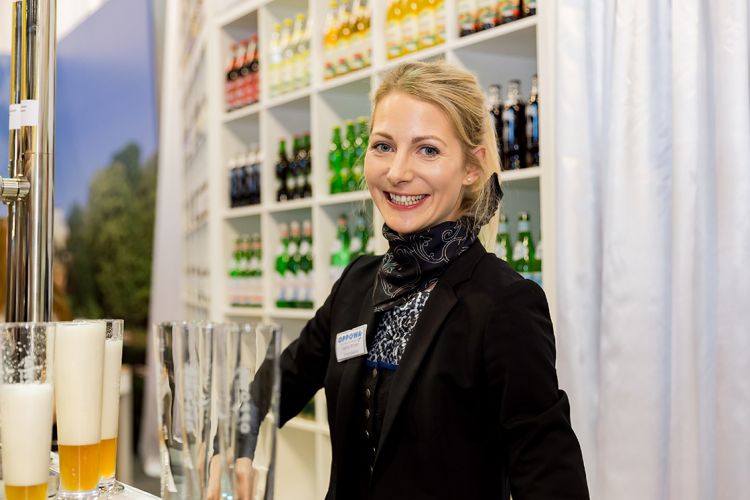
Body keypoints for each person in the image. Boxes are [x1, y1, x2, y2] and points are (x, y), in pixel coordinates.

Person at [212, 60, 589, 500]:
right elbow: (274, 385)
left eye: (427, 150)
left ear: (472, 166)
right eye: (383, 146)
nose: (397, 172)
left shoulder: (505, 303)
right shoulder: (357, 282)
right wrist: (232, 446)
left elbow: (549, 477)